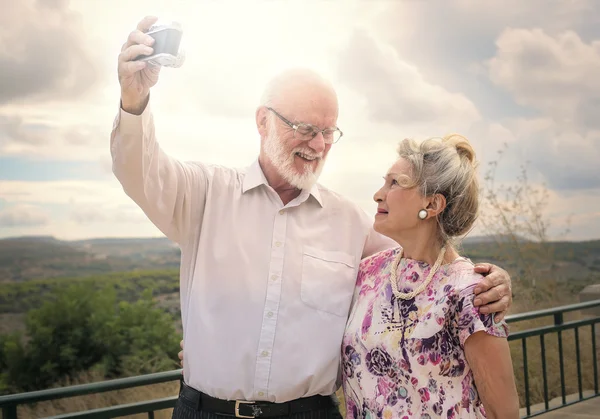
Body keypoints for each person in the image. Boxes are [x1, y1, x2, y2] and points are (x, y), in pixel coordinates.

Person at [113, 16, 513, 419]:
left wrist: (489, 280)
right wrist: (134, 100)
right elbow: (138, 171)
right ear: (262, 121)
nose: (318, 145)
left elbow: (429, 262)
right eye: (305, 129)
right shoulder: (205, 193)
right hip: (206, 411)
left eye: (329, 132)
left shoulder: (352, 222)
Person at [342, 135, 519, 418]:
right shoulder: (369, 273)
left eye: (395, 183)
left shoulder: (471, 293)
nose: (378, 194)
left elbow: (504, 412)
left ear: (433, 204)